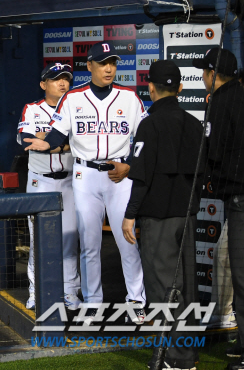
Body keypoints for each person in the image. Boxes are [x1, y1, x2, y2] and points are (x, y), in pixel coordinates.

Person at [24, 41, 147, 326]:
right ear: (89, 66)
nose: (109, 68)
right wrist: (45, 144)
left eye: (113, 62)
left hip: (119, 173)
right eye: (103, 62)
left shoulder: (129, 98)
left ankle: (136, 300)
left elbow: (144, 138)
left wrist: (129, 165)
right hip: (84, 175)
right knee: (90, 244)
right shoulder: (74, 98)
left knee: (127, 240)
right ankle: (92, 304)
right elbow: (58, 134)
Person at [120, 60, 202, 370]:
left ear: (150, 88)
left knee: (164, 290)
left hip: (158, 219)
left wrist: (130, 214)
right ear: (180, 88)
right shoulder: (195, 124)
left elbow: (141, 177)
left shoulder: (150, 124)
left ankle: (175, 361)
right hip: (189, 216)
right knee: (187, 287)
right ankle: (187, 358)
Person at [190, 48, 244, 369]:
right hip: (237, 200)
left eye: (204, 73)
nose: (203, 79)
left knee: (242, 277)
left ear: (213, 74)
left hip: (239, 202)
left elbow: (211, 157)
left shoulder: (222, 103)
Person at [17, 63, 78, 311]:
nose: (62, 83)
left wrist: (50, 141)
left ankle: (70, 292)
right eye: (55, 79)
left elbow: (79, 143)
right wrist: (63, 142)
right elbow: (25, 141)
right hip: (40, 179)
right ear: (44, 85)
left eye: (65, 78)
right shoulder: (32, 109)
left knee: (70, 240)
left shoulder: (76, 108)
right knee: (38, 238)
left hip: (70, 180)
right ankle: (36, 291)